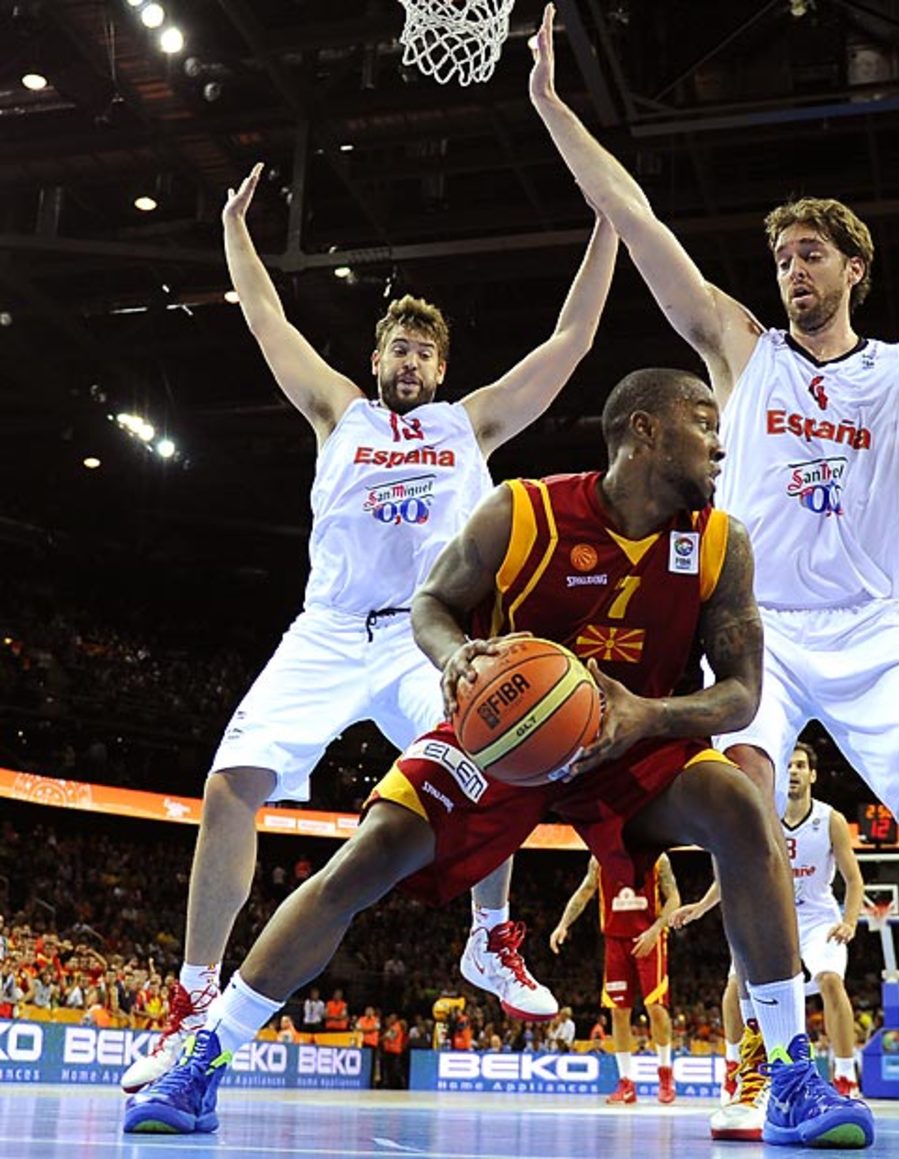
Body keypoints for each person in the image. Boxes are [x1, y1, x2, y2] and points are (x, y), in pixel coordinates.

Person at [527, 2, 899, 1135]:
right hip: (754, 628)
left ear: (854, 266)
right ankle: (765, 1049)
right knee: (738, 804)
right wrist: (553, 107)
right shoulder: (740, 348)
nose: (790, 268)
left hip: (873, 626)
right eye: (781, 255)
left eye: (809, 253)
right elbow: (633, 218)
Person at [123, 368, 873, 1149]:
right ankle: (202, 1056)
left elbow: (743, 696)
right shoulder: (524, 510)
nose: (721, 444)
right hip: (506, 732)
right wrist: (454, 657)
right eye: (703, 421)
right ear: (644, 431)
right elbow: (431, 603)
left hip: (631, 737)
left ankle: (788, 1073)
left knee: (739, 804)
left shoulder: (722, 540)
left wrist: (648, 714)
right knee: (364, 858)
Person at [120, 161, 620, 1093]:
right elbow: (265, 319)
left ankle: (490, 939)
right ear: (380, 354)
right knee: (230, 787)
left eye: (425, 353)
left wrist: (609, 226)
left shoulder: (471, 424)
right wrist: (235, 230)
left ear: (441, 368)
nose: (410, 363)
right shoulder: (337, 412)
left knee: (501, 748)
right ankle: (192, 994)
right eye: (398, 348)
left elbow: (572, 339)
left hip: (420, 638)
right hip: (325, 630)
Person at [674, 740, 865, 1112]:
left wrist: (850, 921)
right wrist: (701, 906)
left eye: (800, 766)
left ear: (812, 774)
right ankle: (736, 1068)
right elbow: (732, 874)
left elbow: (854, 880)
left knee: (829, 980)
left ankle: (845, 1075)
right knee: (734, 986)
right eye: (788, 766)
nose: (793, 771)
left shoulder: (831, 820)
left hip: (817, 919)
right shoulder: (763, 815)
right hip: (770, 914)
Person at [550, 853, 680, 1104]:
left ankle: (665, 1074)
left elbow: (674, 897)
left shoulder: (657, 858)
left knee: (655, 1007)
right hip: (615, 941)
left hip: (649, 939)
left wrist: (656, 930)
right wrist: (563, 924)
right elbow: (584, 891)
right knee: (618, 1011)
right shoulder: (599, 859)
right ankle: (626, 1082)